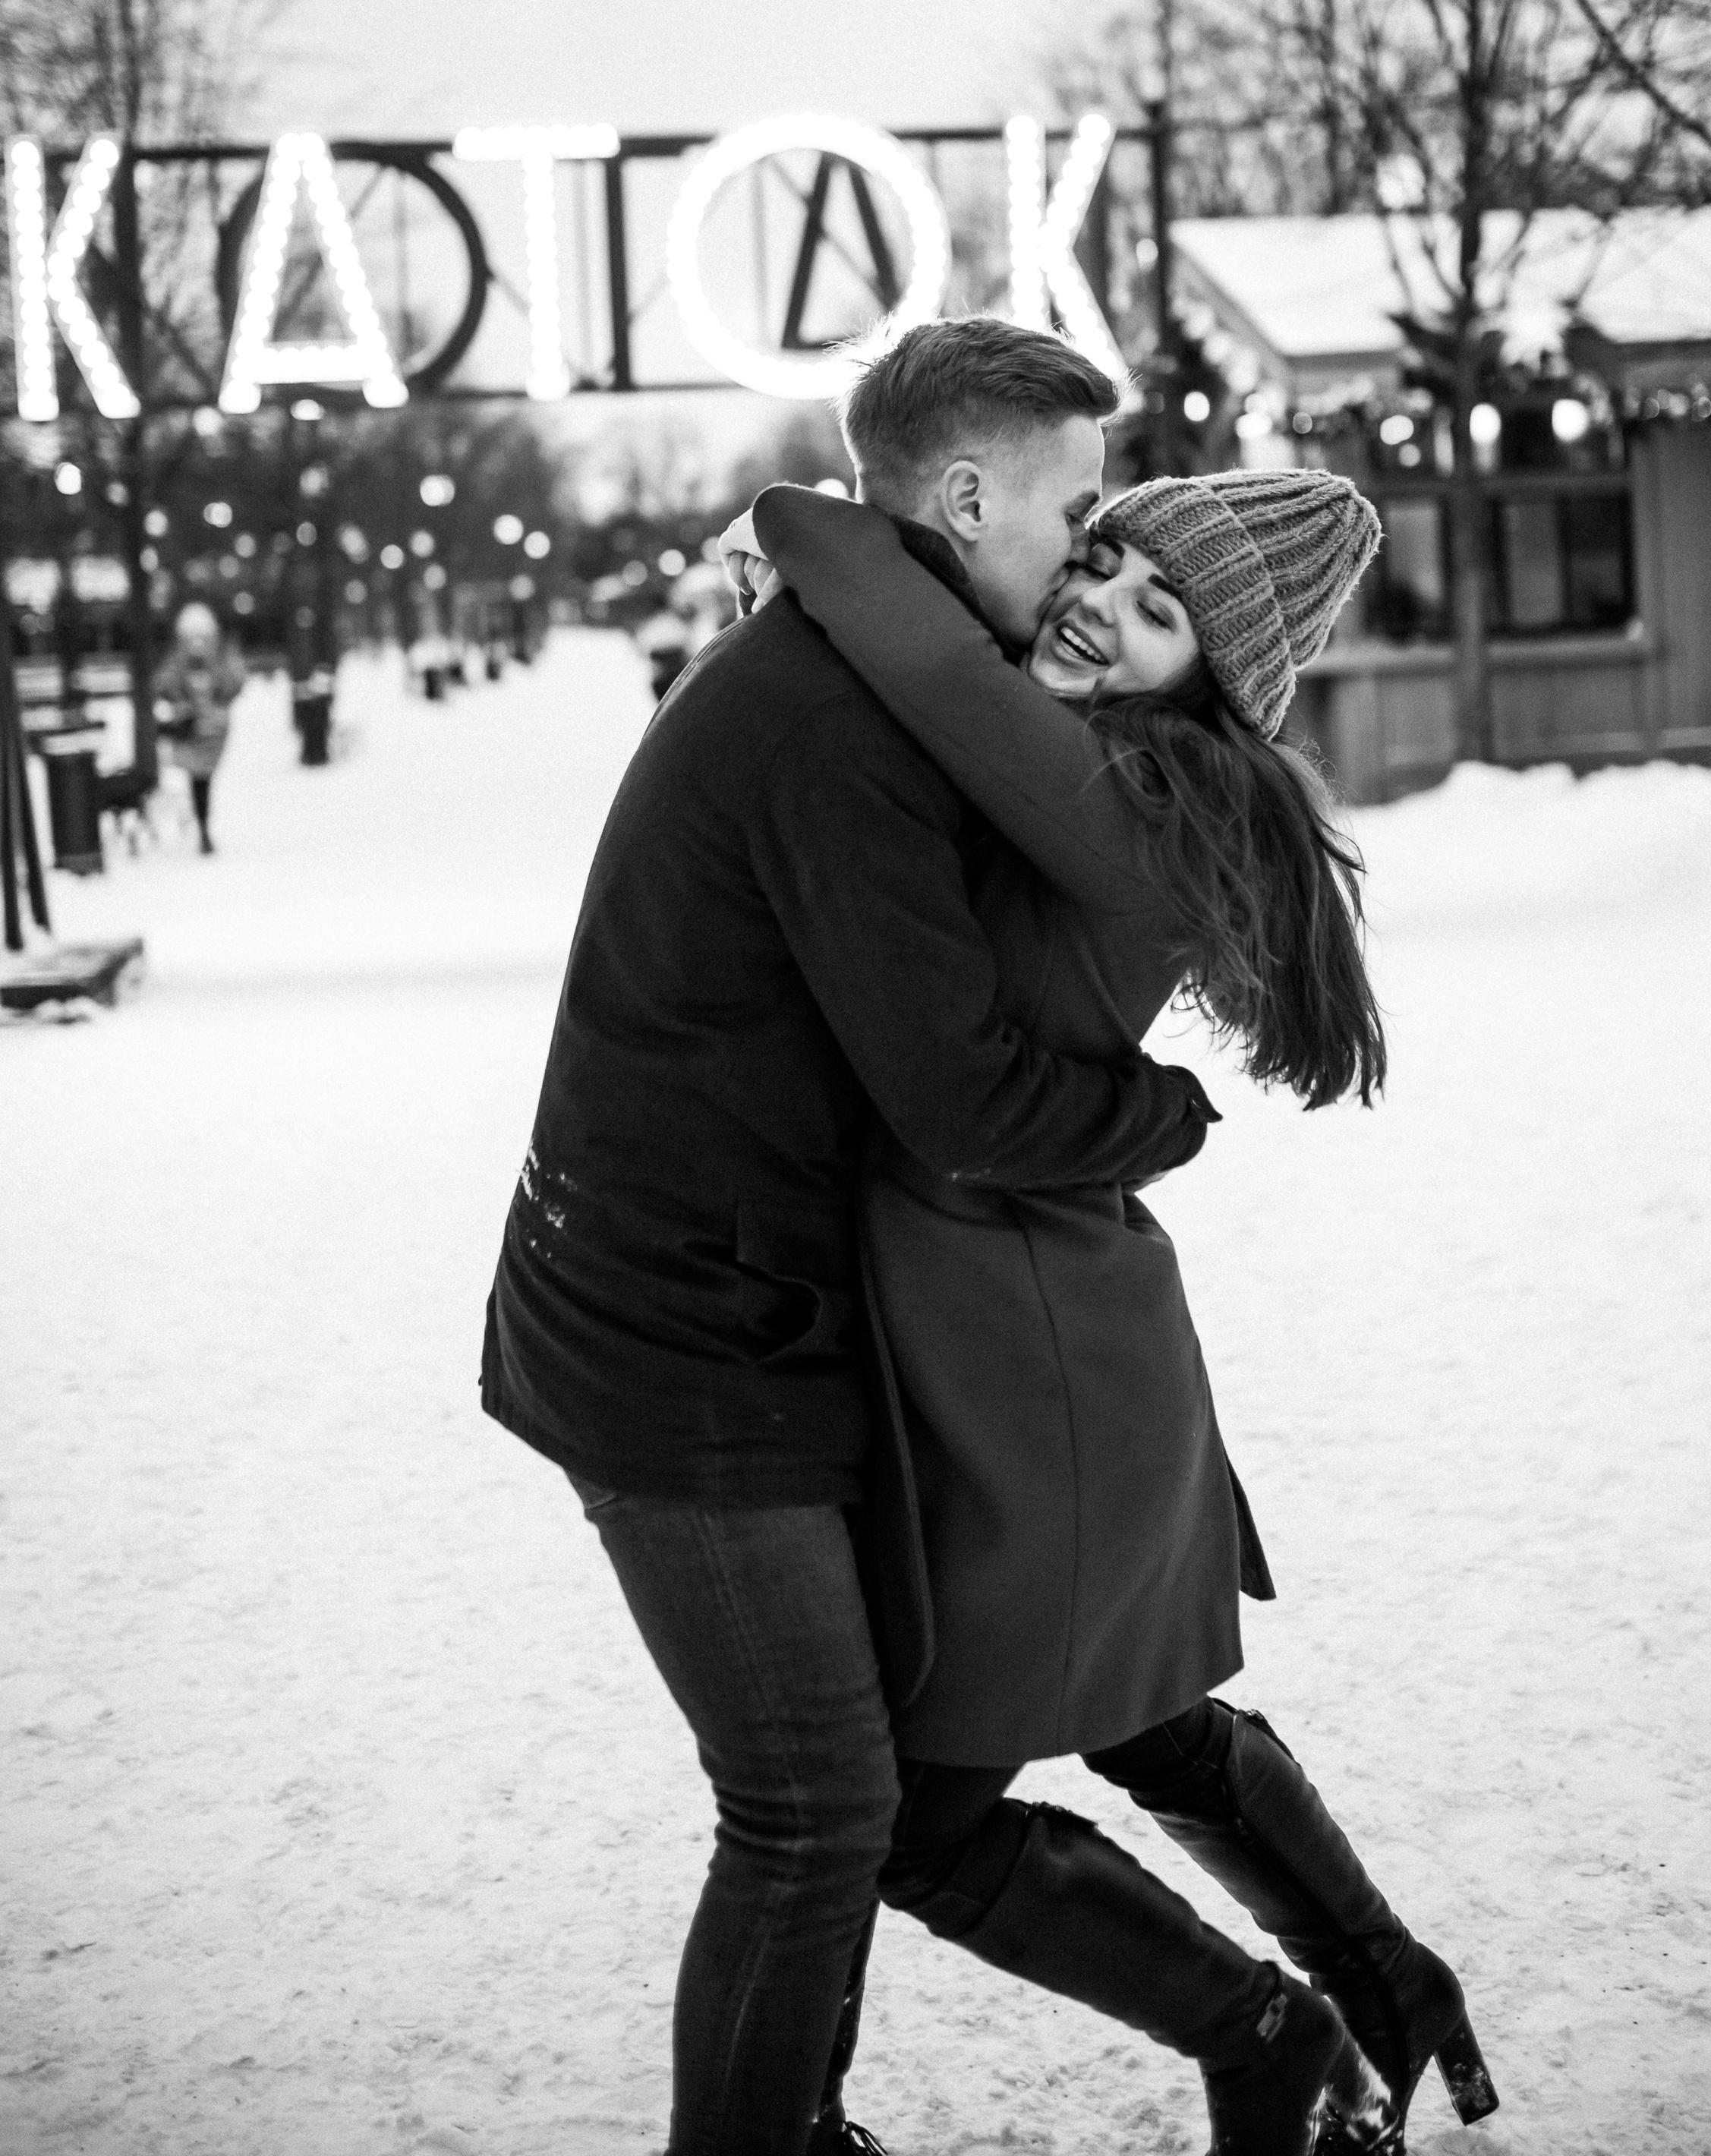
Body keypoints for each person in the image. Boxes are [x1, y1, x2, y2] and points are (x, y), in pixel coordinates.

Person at [479, 320, 1230, 2156]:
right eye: (1072, 506)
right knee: (816, 1805)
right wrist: (1166, 1118)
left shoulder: (862, 670)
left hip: (740, 1298)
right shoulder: (835, 721)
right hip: (677, 1338)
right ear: (965, 498)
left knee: (850, 1795)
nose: (1085, 548)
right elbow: (961, 1097)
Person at [733, 464, 1499, 2153]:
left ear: (1203, 687)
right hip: (1027, 1319)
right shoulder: (1096, 765)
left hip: (1032, 1362)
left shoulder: (1108, 787)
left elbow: (918, 659)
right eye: (1103, 560)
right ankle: (1378, 1975)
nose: (1097, 605)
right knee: (1133, 1712)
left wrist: (804, 516)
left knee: (905, 1819)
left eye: (1158, 618)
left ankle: (1264, 2035)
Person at [153, 601, 246, 856]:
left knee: (203, 780)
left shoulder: (219, 664)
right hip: (191, 733)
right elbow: (163, 686)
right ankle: (202, 828)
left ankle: (202, 826)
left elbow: (235, 683)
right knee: (199, 780)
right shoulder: (177, 667)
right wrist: (182, 708)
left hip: (213, 733)